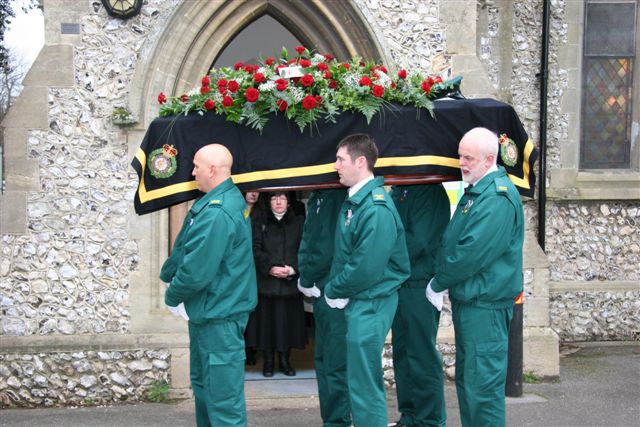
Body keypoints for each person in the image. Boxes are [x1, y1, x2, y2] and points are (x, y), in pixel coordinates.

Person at [426, 127, 524, 427]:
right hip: (473, 304)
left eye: (468, 157)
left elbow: (470, 253)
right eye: (460, 156)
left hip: (486, 307)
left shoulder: (496, 198)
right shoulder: (479, 191)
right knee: (470, 385)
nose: (461, 163)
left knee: (482, 391)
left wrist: (438, 282)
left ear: (490, 158)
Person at [161, 143, 257, 427]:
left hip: (219, 318)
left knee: (223, 403)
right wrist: (170, 275)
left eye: (196, 167)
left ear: (213, 170)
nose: (192, 172)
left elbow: (197, 270)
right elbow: (186, 248)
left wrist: (173, 295)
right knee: (206, 391)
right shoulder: (216, 202)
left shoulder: (218, 210)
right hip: (211, 314)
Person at [323, 133, 410, 427]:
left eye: (340, 160)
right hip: (361, 299)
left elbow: (365, 266)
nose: (336, 166)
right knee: (358, 379)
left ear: (360, 162)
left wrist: (335, 289)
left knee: (364, 383)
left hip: (371, 300)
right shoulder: (358, 202)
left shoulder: (374, 207)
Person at [389, 183, 450, 427]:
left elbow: (419, 241)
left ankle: (429, 420)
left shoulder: (429, 190)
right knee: (402, 354)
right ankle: (410, 416)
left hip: (419, 283)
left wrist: (383, 253)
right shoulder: (399, 190)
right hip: (400, 282)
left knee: (421, 355)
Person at [297, 187, 351, 426]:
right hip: (322, 286)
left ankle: (339, 420)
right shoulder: (321, 196)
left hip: (331, 286)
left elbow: (325, 244)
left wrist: (307, 276)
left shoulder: (334, 196)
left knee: (335, 363)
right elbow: (308, 240)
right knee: (324, 360)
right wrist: (305, 275)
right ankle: (332, 419)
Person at [249, 191, 306, 377]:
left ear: (289, 202)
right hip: (267, 285)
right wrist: (270, 268)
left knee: (287, 326)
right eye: (274, 198)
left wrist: (292, 269)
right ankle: (268, 362)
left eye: (282, 198)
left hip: (290, 285)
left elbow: (304, 250)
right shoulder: (259, 221)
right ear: (269, 202)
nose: (279, 201)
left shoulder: (298, 222)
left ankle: (284, 361)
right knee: (266, 326)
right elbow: (254, 249)